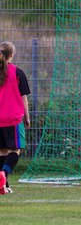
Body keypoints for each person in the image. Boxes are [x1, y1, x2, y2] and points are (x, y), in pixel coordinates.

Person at [0, 41, 31, 194]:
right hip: (13, 118)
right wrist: (27, 117)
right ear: (11, 54)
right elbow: (23, 97)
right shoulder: (18, 73)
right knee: (14, 151)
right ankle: (3, 176)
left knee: (2, 152)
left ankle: (4, 185)